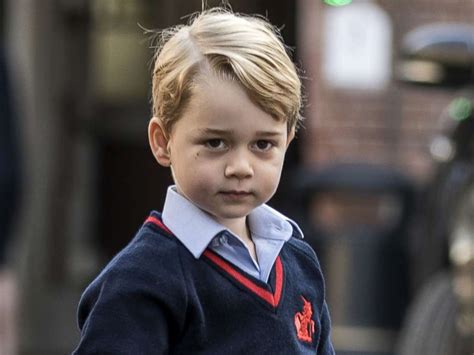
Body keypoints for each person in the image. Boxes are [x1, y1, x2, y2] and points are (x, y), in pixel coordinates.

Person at [73, 7, 334, 354]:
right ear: (162, 141)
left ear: (287, 141)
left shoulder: (301, 265)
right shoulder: (141, 281)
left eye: (262, 144)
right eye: (215, 143)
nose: (240, 167)